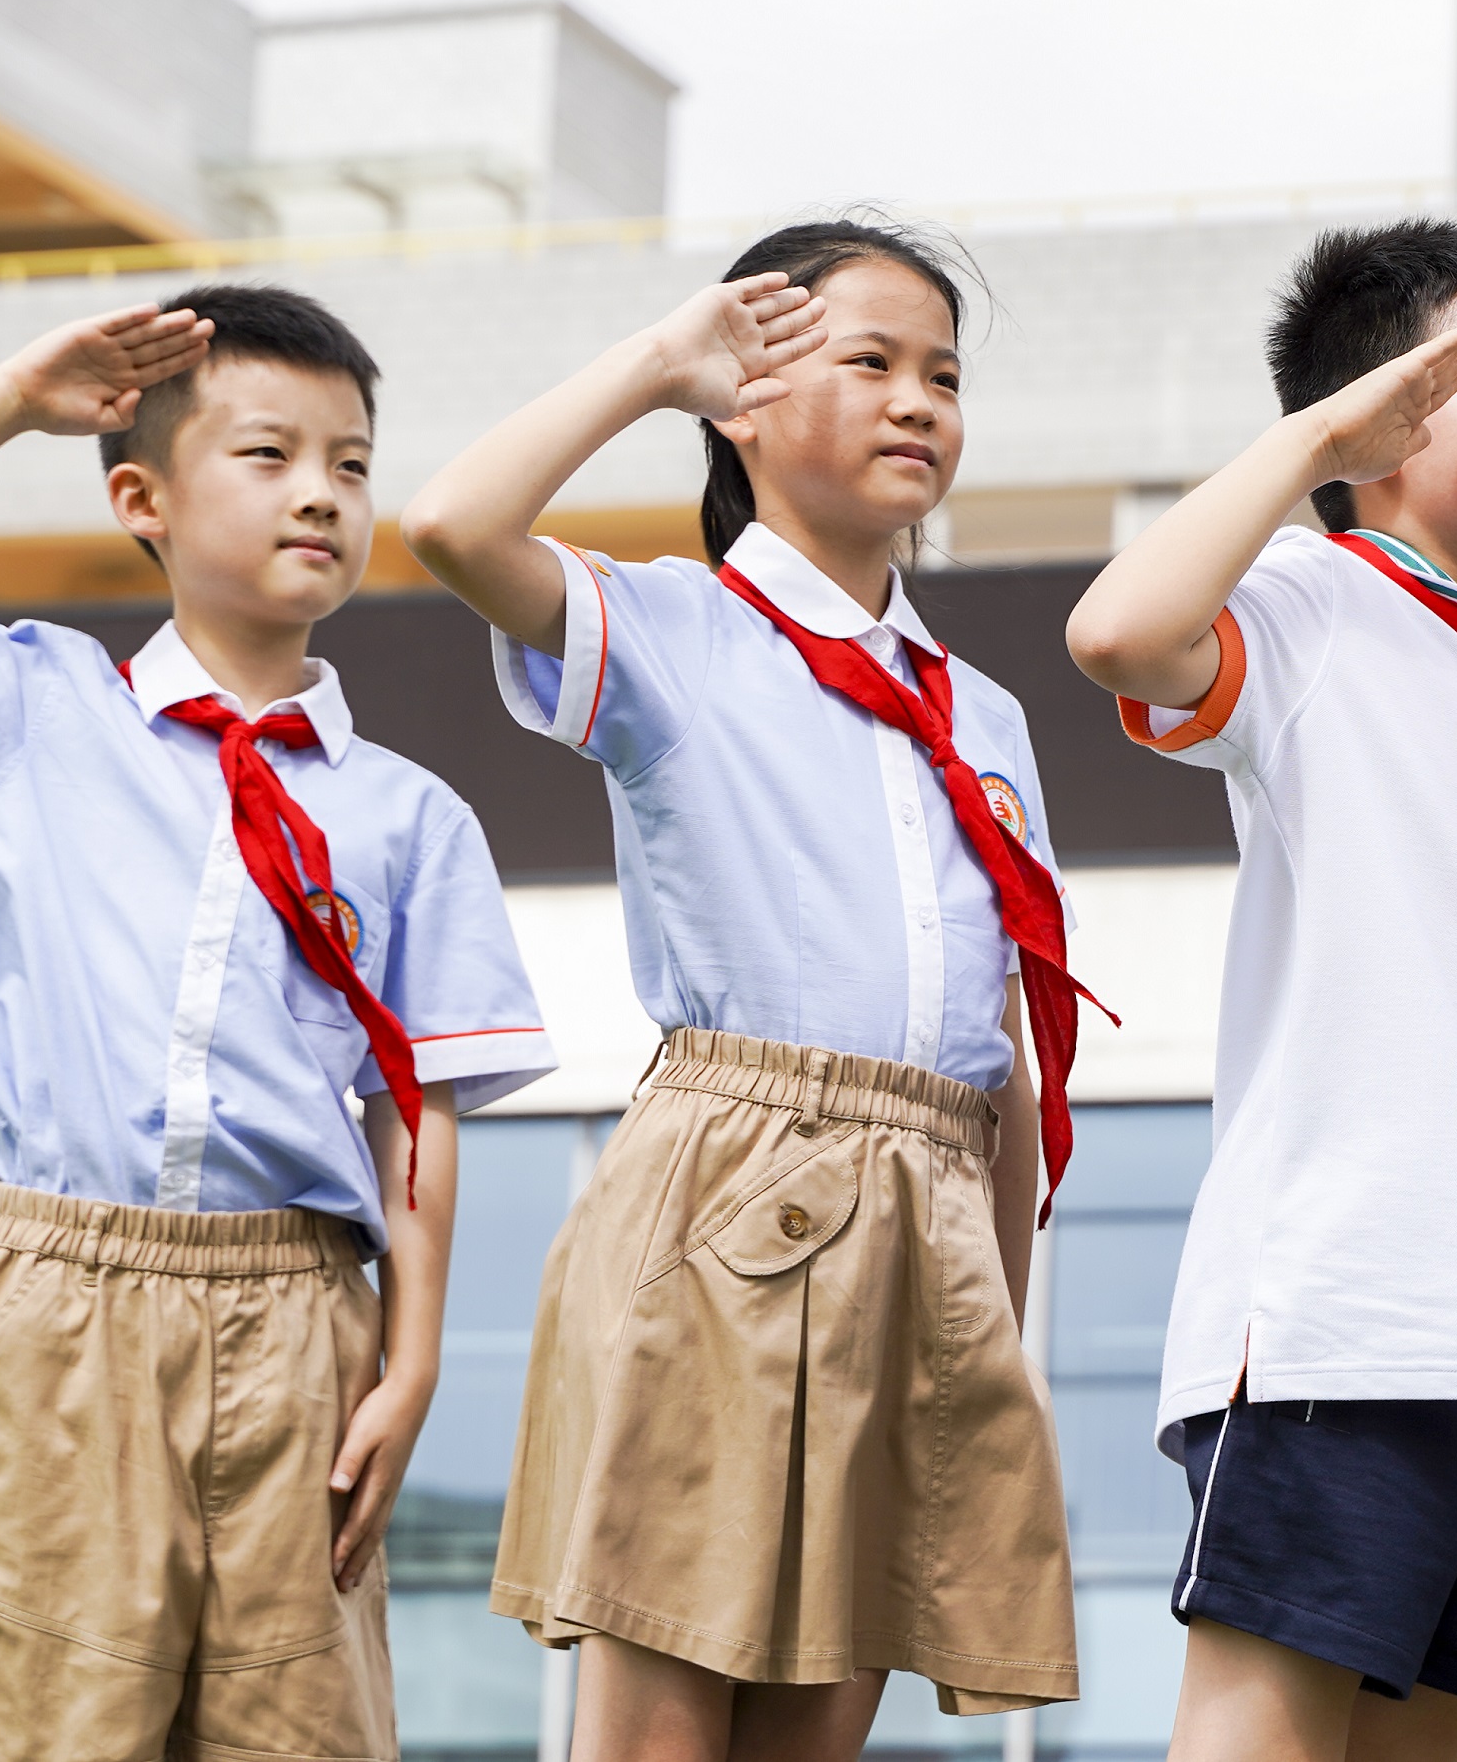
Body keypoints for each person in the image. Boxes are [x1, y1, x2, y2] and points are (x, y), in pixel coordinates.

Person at [0, 282, 555, 1759]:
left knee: (298, 1730)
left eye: (354, 462)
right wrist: (8, 396)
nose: (322, 491)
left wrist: (413, 1357)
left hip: (307, 1311)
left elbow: (414, 1111)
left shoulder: (410, 815)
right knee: (31, 1721)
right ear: (144, 496)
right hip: (67, 1295)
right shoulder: (26, 710)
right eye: (268, 453)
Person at [400, 218, 1085, 1759]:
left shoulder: (983, 711)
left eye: (945, 375)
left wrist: (995, 1325)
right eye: (872, 361)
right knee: (660, 1734)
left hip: (935, 1203)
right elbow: (450, 523)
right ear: (747, 401)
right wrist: (656, 361)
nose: (920, 400)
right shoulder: (676, 627)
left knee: (818, 1738)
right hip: (733, 1179)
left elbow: (1007, 1051)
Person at [1065, 219, 1457, 1762]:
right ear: (1387, 415)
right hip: (1347, 1321)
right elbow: (1119, 632)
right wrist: (1312, 448)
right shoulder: (1310, 599)